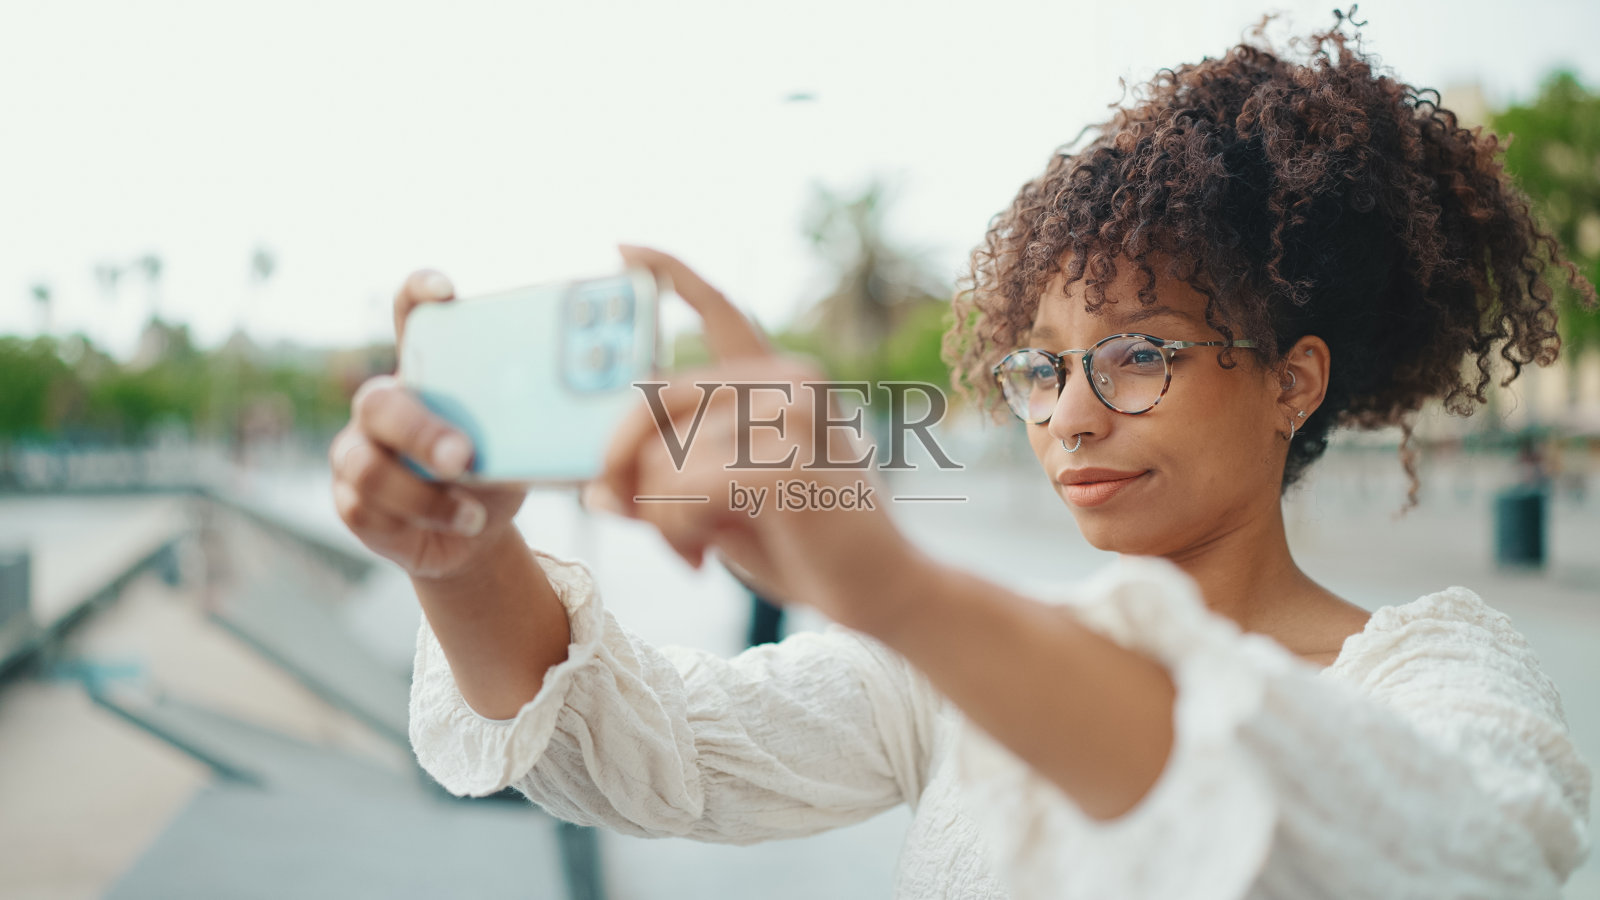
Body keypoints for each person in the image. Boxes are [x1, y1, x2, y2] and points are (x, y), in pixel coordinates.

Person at [329, 15, 1594, 899]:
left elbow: (1459, 860)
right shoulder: (948, 680)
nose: (1072, 416)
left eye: (1137, 354)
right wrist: (459, 553)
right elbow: (637, 749)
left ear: (1292, 380)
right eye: (1042, 368)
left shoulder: (1433, 668)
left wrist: (896, 586)